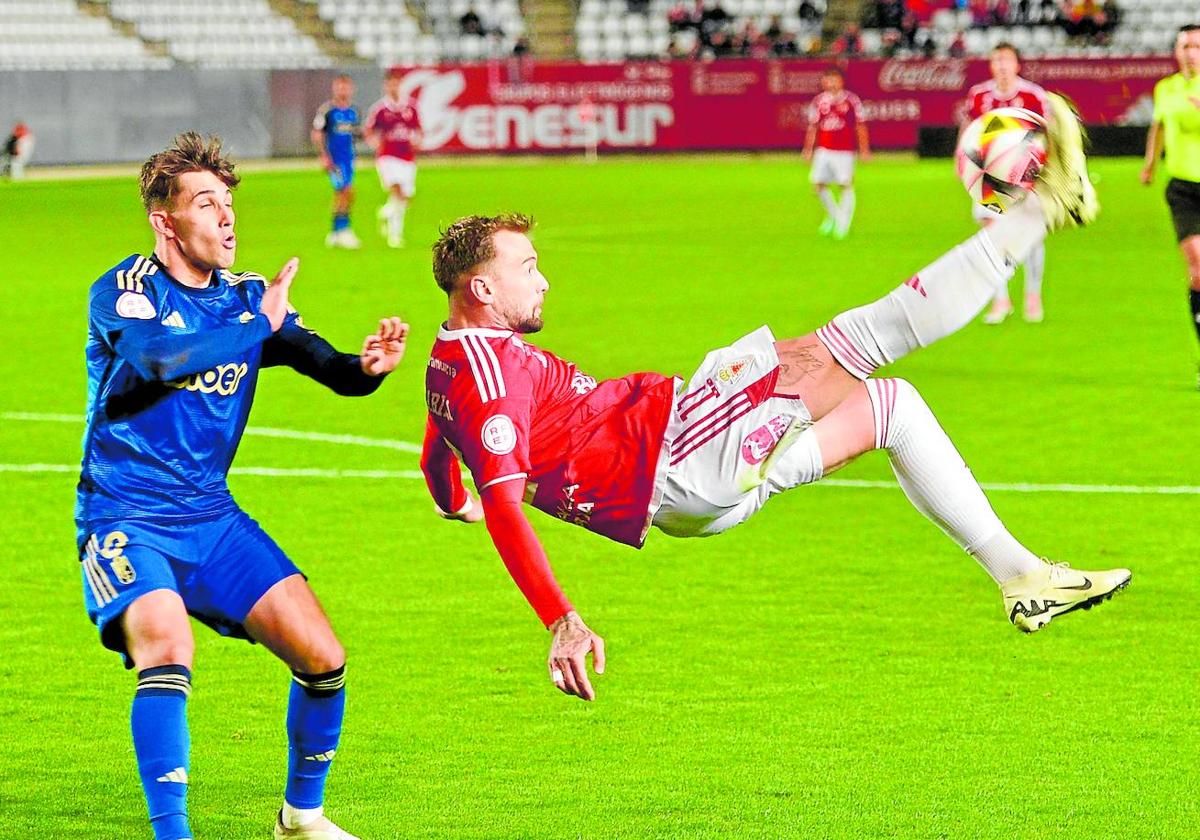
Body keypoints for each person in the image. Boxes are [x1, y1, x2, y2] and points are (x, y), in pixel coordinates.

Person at [420, 98, 1130, 703]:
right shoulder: (491, 378)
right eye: (527, 268)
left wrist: (453, 499)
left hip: (685, 478)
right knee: (857, 339)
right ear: (482, 290)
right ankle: (1043, 210)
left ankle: (1023, 579)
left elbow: (440, 447)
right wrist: (561, 619)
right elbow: (506, 507)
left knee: (892, 407)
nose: (543, 281)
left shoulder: (449, 360)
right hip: (675, 453)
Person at [77, 132, 408, 839]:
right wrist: (258, 324)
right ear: (165, 221)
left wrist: (367, 367)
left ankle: (301, 816)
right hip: (126, 514)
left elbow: (330, 368)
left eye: (228, 202)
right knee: (166, 647)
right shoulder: (127, 290)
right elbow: (162, 359)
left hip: (213, 518)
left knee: (324, 658)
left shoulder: (247, 298)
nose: (227, 217)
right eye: (206, 203)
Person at [962, 43, 1051, 324]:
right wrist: (961, 161)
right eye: (996, 60)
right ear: (990, 65)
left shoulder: (1032, 95)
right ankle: (1001, 299)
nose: (1001, 65)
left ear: (1017, 65)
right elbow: (968, 131)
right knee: (992, 238)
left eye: (1006, 60)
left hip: (1025, 177)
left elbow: (1047, 134)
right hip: (989, 176)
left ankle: (1033, 295)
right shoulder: (979, 95)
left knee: (1032, 236)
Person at [1141, 24, 1200, 390]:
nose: (1190, 52)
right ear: (1176, 51)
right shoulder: (1166, 88)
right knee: (1197, 266)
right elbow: (1159, 126)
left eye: (1196, 46)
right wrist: (1150, 162)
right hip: (1182, 188)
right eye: (1185, 45)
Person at [803, 67, 870, 240]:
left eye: (834, 79)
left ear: (841, 81)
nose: (830, 83)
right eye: (827, 79)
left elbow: (860, 125)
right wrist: (808, 149)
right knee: (818, 185)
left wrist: (864, 150)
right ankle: (834, 215)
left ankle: (843, 224)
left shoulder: (851, 100)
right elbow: (814, 127)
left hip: (844, 151)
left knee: (845, 185)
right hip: (824, 150)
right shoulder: (819, 101)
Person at [364, 70, 423, 249]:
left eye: (397, 83)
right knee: (396, 191)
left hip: (407, 157)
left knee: (405, 197)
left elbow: (418, 129)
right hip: (387, 157)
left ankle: (385, 213)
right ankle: (395, 237)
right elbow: (369, 130)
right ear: (386, 86)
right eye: (390, 83)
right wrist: (374, 142)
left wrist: (417, 142)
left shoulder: (410, 107)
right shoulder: (380, 109)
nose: (394, 87)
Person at [311, 75, 362, 250]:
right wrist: (324, 156)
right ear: (334, 88)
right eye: (340, 87)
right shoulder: (327, 111)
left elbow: (355, 135)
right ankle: (343, 230)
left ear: (351, 89)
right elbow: (317, 133)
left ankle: (335, 233)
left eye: (346, 87)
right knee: (345, 191)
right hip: (335, 160)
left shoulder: (354, 112)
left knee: (346, 194)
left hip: (348, 160)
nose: (343, 90)